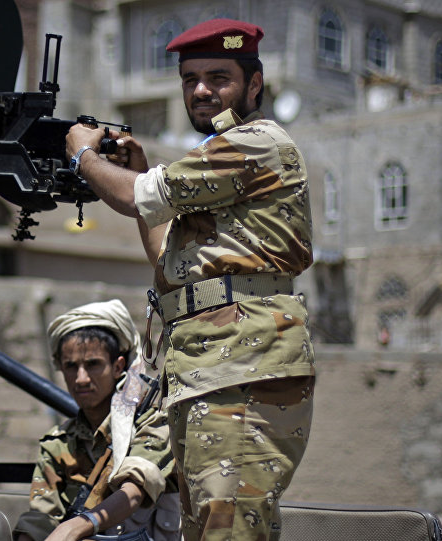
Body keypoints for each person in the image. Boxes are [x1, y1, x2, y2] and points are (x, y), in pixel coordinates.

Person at [65, 19, 315, 541]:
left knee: (228, 529)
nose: (201, 90)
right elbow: (167, 262)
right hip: (207, 372)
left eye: (218, 77)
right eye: (189, 79)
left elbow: (137, 195)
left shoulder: (254, 142)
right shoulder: (216, 168)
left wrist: (82, 155)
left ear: (254, 84)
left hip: (241, 372)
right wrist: (138, 171)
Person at [13, 299, 179, 541]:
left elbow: (133, 492)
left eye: (92, 365)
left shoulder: (152, 424)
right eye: (71, 366)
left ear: (118, 367)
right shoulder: (58, 444)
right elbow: (41, 516)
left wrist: (75, 527)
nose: (81, 378)